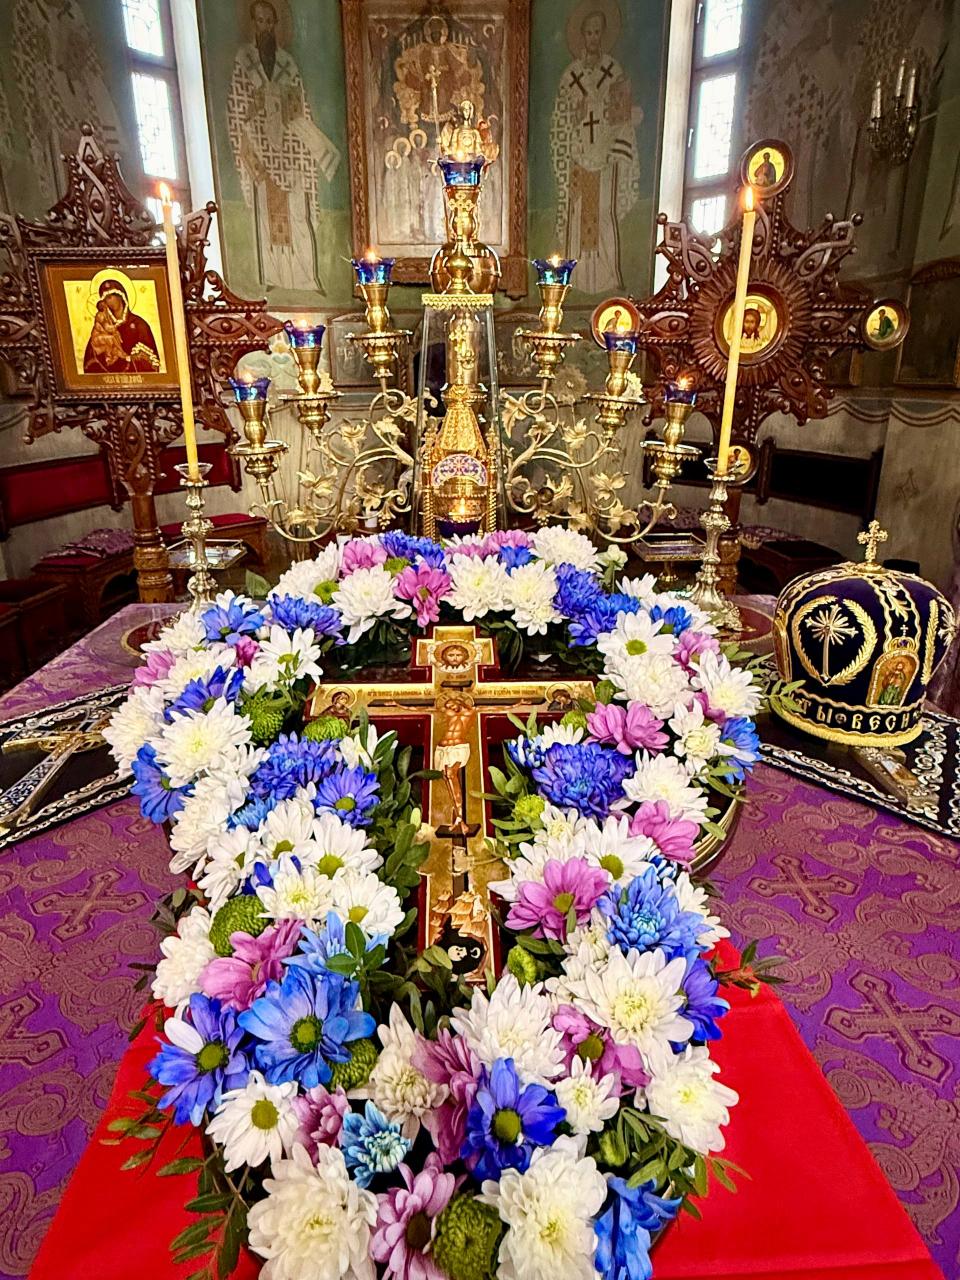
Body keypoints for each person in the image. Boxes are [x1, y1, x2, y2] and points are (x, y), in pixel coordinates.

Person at [227, 0, 340, 292]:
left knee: (298, 213)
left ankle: (306, 277)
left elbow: (301, 105)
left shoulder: (287, 63)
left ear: (277, 25)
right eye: (260, 21)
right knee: (267, 214)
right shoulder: (244, 60)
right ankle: (273, 277)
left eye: (269, 21)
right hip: (260, 147)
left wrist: (288, 107)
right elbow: (236, 108)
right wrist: (255, 107)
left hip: (291, 151)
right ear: (253, 23)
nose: (265, 27)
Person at [550, 7, 641, 293]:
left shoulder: (613, 70)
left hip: (605, 157)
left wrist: (625, 119)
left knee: (604, 212)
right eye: (588, 32)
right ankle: (574, 277)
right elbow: (560, 119)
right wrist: (573, 116)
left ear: (603, 35)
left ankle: (608, 274)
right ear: (582, 36)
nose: (593, 37)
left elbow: (621, 111)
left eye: (597, 32)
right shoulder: (571, 75)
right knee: (577, 213)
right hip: (578, 157)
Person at [82, 280, 160, 375]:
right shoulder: (104, 326)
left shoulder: (139, 325)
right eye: (105, 299)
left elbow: (151, 363)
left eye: (110, 297)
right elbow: (90, 362)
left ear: (120, 296)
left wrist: (133, 359)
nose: (108, 302)